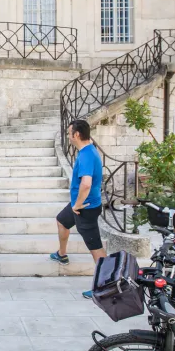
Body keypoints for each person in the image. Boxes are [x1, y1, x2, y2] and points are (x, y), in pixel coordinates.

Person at [49, 119, 106, 299]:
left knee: (95, 247)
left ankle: (104, 286)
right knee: (62, 221)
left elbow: (86, 183)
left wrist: (79, 204)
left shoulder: (87, 155)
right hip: (80, 204)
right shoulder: (87, 151)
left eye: (69, 133)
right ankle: (62, 254)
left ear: (77, 135)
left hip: (85, 207)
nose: (68, 136)